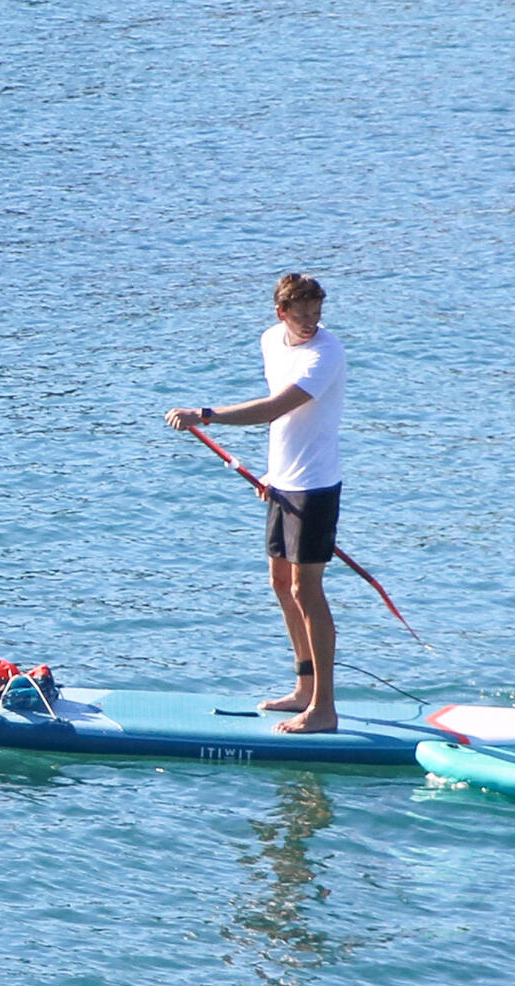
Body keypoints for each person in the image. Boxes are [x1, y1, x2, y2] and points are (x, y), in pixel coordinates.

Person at [166, 273, 346, 733]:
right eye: (302, 314)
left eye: (317, 313)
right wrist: (271, 473)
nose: (311, 323)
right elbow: (283, 424)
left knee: (308, 591)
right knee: (281, 583)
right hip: (282, 481)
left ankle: (324, 708)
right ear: (281, 312)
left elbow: (274, 408)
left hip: (315, 485)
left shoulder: (327, 353)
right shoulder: (271, 341)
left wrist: (205, 415)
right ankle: (304, 688)